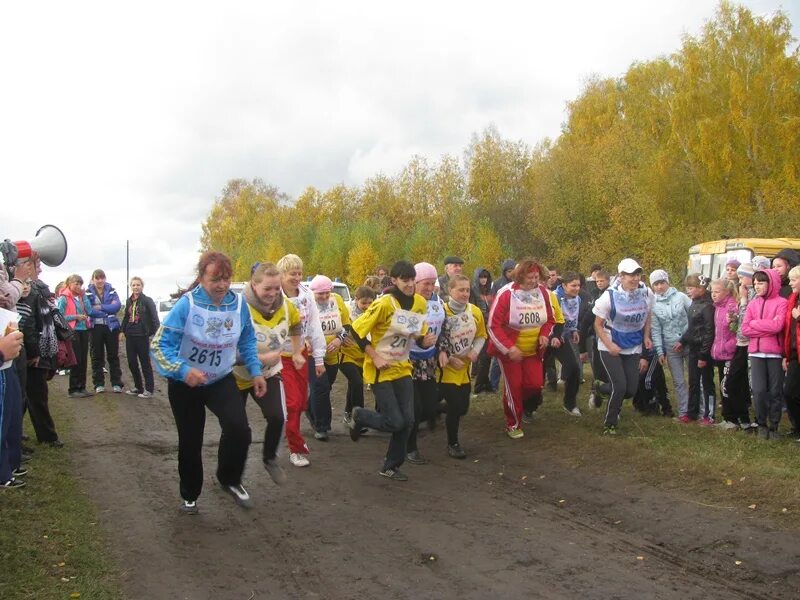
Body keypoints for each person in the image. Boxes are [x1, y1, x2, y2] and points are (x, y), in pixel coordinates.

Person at [151, 251, 266, 513]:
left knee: (239, 429)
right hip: (185, 385)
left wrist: (256, 371)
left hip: (220, 379)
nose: (222, 285)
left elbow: (247, 339)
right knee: (191, 440)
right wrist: (183, 370)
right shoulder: (186, 305)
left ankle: (229, 479)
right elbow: (159, 345)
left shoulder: (238, 305)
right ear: (202, 277)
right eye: (216, 279)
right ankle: (190, 494)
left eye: (226, 279)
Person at [348, 260, 434, 481]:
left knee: (408, 420)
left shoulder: (419, 303)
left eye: (412, 279)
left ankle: (391, 465)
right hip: (380, 370)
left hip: (403, 368)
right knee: (395, 421)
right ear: (394, 281)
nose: (410, 284)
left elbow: (415, 334)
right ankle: (360, 416)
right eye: (405, 280)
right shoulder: (384, 304)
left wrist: (424, 341)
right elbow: (356, 331)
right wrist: (375, 357)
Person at [233, 262, 303, 485]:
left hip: (271, 372)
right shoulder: (238, 308)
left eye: (276, 289)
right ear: (254, 285)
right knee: (237, 428)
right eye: (267, 289)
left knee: (277, 417)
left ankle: (269, 457)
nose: (272, 294)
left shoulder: (287, 306)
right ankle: (233, 473)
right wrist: (259, 359)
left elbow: (296, 325)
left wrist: (298, 350)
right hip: (238, 375)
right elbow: (227, 347)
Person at [487, 258, 555, 438]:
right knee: (514, 386)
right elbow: (493, 325)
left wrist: (544, 335)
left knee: (534, 385)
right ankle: (513, 424)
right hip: (511, 352)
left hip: (533, 350)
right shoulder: (506, 294)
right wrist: (509, 348)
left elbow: (550, 320)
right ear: (520, 276)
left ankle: (520, 406)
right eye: (530, 277)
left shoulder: (543, 293)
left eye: (536, 277)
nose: (534, 280)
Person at [593, 259, 654, 435]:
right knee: (619, 386)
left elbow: (648, 315)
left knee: (630, 390)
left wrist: (646, 337)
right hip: (610, 344)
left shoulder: (646, 292)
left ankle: (600, 388)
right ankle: (610, 423)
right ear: (621, 276)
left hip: (633, 344)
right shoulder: (609, 296)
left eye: (637, 274)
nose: (635, 279)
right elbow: (598, 324)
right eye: (630, 275)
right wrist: (609, 344)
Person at [276, 254, 326, 468]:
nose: (296, 277)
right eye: (291, 274)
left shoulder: (307, 296)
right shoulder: (274, 296)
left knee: (301, 400)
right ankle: (296, 449)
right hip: (280, 357)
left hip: (301, 355)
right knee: (293, 403)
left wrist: (319, 357)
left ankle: (286, 435)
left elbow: (314, 326)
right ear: (281, 275)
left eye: (299, 273)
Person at [436, 274, 487, 458]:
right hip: (444, 369)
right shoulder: (441, 312)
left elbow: (482, 335)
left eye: (467, 290)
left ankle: (433, 410)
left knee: (463, 407)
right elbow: (432, 342)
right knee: (455, 407)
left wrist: (475, 351)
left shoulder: (474, 311)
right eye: (461, 290)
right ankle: (453, 443)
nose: (465, 294)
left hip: (464, 369)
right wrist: (449, 358)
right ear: (450, 291)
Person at [406, 262, 445, 465]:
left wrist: (442, 350)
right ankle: (410, 447)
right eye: (425, 284)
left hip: (429, 361)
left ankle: (399, 426)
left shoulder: (438, 302)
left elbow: (443, 329)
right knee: (415, 407)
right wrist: (421, 339)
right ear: (415, 283)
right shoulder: (409, 303)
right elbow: (402, 334)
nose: (429, 288)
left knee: (430, 405)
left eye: (432, 283)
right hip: (408, 361)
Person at [741, 268, 787, 440]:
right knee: (759, 391)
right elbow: (745, 329)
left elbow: (778, 326)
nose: (757, 286)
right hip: (756, 353)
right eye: (755, 283)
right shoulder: (753, 303)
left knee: (775, 392)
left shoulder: (781, 302)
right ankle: (761, 424)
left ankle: (774, 426)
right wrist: (766, 325)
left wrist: (756, 324)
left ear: (771, 283)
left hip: (775, 354)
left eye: (761, 282)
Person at [308, 274, 351, 441]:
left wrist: (339, 339)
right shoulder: (307, 302)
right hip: (312, 353)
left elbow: (346, 324)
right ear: (313, 292)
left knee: (326, 387)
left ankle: (308, 407)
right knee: (321, 387)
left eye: (327, 293)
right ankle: (322, 426)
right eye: (320, 294)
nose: (324, 297)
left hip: (332, 353)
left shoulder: (338, 300)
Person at [650, 269, 691, 422]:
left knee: (695, 379)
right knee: (679, 381)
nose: (659, 287)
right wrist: (660, 351)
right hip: (670, 346)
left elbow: (694, 317)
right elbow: (655, 330)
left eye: (662, 283)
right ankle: (684, 412)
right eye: (656, 284)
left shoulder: (681, 297)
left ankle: (700, 411)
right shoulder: (653, 304)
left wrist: (686, 340)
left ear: (668, 282)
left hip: (688, 343)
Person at [680, 274, 716, 425]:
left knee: (706, 383)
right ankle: (691, 412)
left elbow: (709, 332)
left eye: (691, 288)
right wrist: (683, 340)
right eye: (687, 288)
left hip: (703, 350)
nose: (689, 291)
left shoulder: (707, 306)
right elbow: (692, 328)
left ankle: (709, 414)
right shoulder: (694, 303)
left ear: (701, 288)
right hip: (693, 348)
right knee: (693, 382)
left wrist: (703, 355)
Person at [340, 286, 376, 424]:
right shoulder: (348, 311)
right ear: (356, 300)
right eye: (363, 303)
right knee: (357, 382)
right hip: (345, 354)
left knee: (353, 384)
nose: (367, 306)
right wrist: (341, 338)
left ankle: (348, 413)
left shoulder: (375, 312)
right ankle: (359, 418)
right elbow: (340, 327)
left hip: (362, 355)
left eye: (370, 303)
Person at [120, 276, 160, 398]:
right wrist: (122, 331)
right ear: (130, 287)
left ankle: (149, 389)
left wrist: (153, 333)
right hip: (130, 335)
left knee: (145, 363)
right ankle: (138, 387)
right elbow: (126, 317)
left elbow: (154, 318)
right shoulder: (128, 301)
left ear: (142, 286)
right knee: (132, 362)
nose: (136, 287)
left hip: (142, 335)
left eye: (138, 285)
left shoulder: (147, 300)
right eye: (133, 285)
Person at [86, 269, 124, 393]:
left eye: (102, 278)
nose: (100, 280)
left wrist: (101, 307)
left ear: (105, 278)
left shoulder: (112, 290)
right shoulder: (87, 292)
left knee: (113, 355)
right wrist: (107, 311)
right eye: (97, 278)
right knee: (96, 356)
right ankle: (98, 384)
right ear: (93, 279)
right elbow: (89, 310)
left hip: (111, 327)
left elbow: (117, 306)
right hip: (95, 327)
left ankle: (116, 383)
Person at [710, 278, 740, 429]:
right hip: (720, 353)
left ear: (726, 291)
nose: (713, 295)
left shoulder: (732, 307)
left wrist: (729, 346)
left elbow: (736, 331)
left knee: (727, 386)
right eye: (712, 292)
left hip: (729, 353)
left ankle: (733, 419)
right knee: (722, 384)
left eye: (717, 292)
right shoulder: (717, 307)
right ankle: (727, 418)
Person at [57, 274, 93, 398]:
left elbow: (89, 311)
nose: (78, 286)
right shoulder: (64, 298)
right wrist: (75, 317)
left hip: (84, 330)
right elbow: (59, 316)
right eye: (76, 284)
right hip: (73, 331)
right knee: (76, 359)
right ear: (69, 284)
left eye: (80, 284)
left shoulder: (81, 297)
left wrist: (84, 298)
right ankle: (73, 389)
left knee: (83, 359)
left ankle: (82, 387)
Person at [553, 272, 583, 416]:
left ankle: (570, 404)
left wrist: (574, 330)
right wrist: (555, 334)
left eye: (578, 285)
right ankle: (528, 406)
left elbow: (572, 317)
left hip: (563, 338)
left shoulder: (578, 299)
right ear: (564, 285)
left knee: (574, 368)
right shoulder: (555, 297)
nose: (577, 288)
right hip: (548, 337)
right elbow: (550, 318)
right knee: (537, 374)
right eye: (573, 285)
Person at [583, 269, 611, 408]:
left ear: (608, 281)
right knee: (597, 367)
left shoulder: (612, 294)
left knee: (610, 369)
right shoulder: (593, 294)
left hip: (610, 335)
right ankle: (596, 394)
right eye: (597, 281)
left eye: (602, 281)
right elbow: (589, 314)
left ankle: (610, 398)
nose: (599, 283)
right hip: (596, 334)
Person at [782, 265, 800, 442]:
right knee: (789, 392)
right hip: (794, 353)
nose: (790, 283)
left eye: (794, 279)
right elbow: (788, 330)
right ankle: (797, 426)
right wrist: (785, 354)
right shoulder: (792, 299)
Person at [470, 267, 494, 394]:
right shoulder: (473, 290)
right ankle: (479, 386)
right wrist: (483, 317)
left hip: (491, 324)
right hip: (480, 325)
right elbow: (473, 308)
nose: (483, 279)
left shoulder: (490, 290)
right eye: (481, 277)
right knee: (484, 356)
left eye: (485, 277)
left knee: (488, 356)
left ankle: (485, 383)